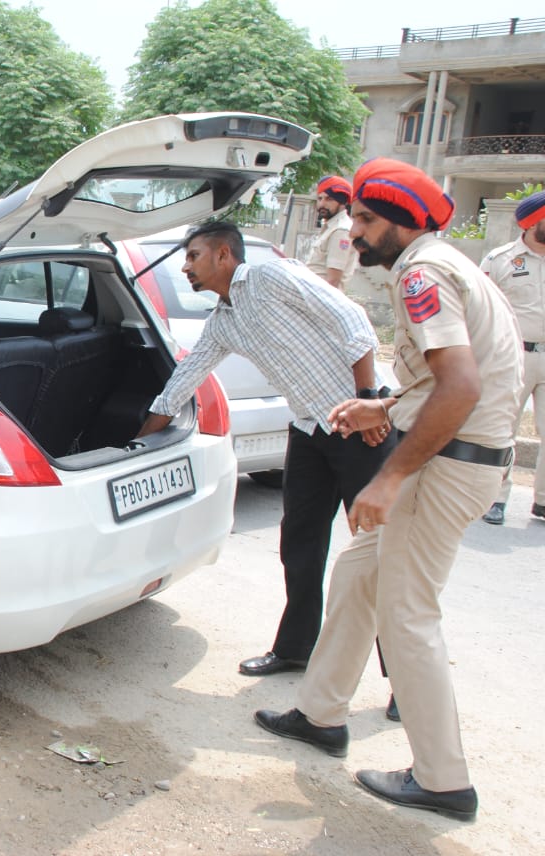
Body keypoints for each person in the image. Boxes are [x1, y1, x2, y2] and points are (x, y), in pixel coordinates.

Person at [255, 158, 522, 823]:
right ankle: (320, 714)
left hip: (450, 464)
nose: (354, 234)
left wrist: (391, 476)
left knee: (408, 613)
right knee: (356, 575)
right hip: (461, 452)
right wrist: (387, 406)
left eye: (368, 221)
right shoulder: (438, 264)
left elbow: (461, 387)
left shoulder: (423, 274)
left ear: (403, 222)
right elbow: (447, 378)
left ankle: (442, 780)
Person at [136, 221, 390, 680]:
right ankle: (295, 650)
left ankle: (405, 681)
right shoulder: (222, 323)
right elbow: (182, 381)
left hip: (361, 425)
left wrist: (369, 399)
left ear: (223, 255)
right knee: (300, 545)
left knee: (381, 553)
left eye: (193, 255)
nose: (186, 266)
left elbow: (351, 318)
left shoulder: (273, 277)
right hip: (311, 431)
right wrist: (140, 439)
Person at [479, 189, 545, 525]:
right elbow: (479, 310)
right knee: (504, 428)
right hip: (513, 356)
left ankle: (543, 502)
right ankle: (496, 498)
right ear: (535, 222)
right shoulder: (499, 260)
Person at [305, 175, 358, 289]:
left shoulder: (341, 230)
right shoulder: (330, 227)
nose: (322, 204)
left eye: (329, 199)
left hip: (321, 299)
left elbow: (333, 280)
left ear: (342, 203)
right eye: (320, 199)